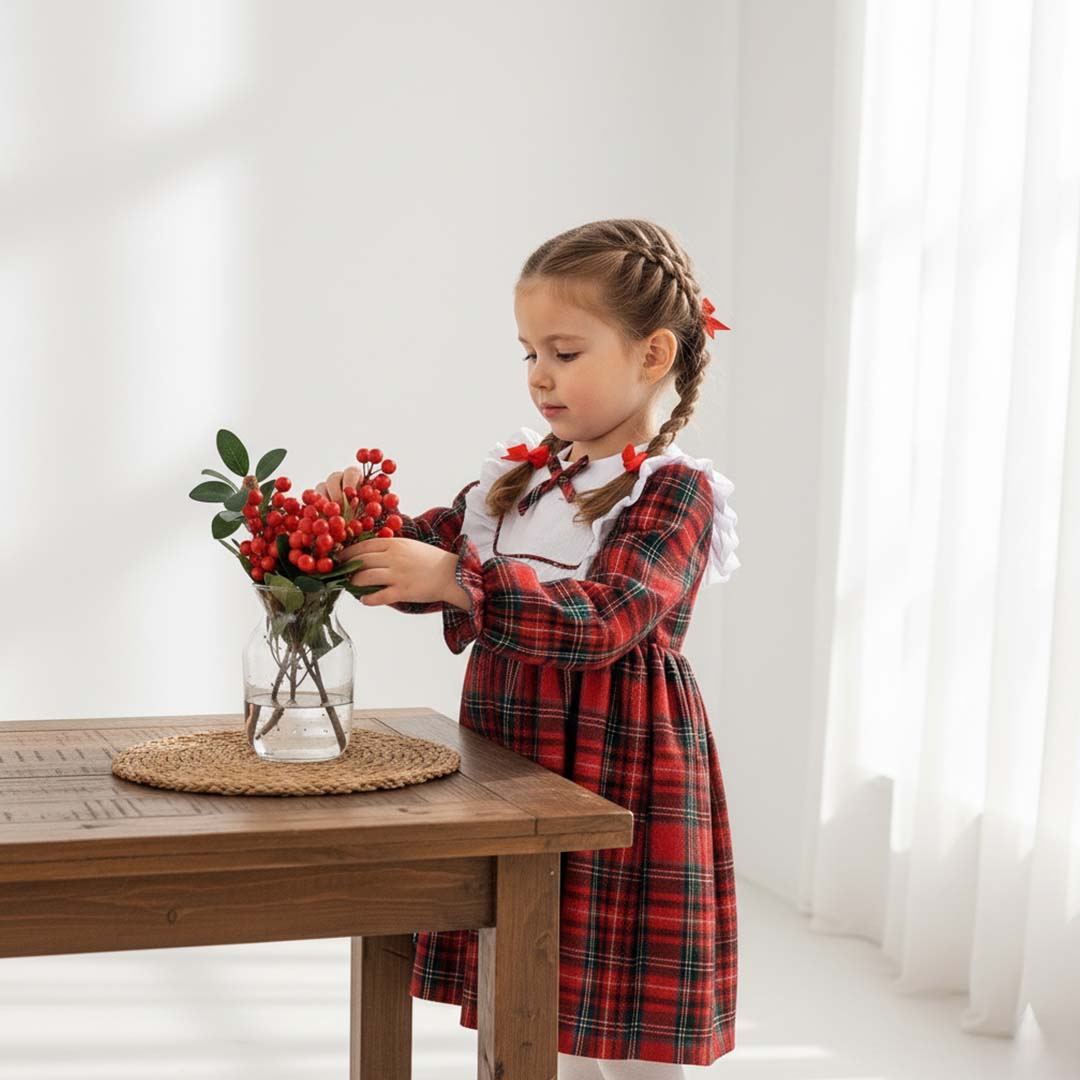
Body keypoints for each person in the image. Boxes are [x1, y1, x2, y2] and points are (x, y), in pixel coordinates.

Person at [317, 218, 741, 1078]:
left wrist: (456, 579)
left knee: (617, 1020)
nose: (541, 376)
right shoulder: (516, 480)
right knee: (520, 995)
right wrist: (361, 526)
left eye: (566, 352)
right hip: (515, 766)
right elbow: (434, 550)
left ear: (652, 355)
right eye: (528, 353)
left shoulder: (675, 493)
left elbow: (607, 616)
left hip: (621, 775)